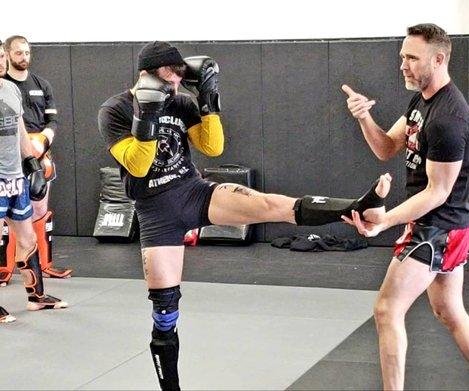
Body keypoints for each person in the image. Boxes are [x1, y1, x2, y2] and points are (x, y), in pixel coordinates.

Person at [97, 41, 391, 390]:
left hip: (193, 191)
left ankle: (356, 205)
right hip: (155, 210)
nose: (176, 84)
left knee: (271, 204)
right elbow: (139, 165)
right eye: (168, 77)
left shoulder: (179, 101)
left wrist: (208, 99)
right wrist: (146, 114)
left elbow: (213, 147)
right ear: (145, 74)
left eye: (180, 77)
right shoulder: (115, 110)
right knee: (165, 311)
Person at [341, 24, 469, 390]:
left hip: (438, 226)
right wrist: (364, 117)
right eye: (402, 57)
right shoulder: (421, 102)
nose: (403, 66)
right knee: (450, 311)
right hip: (444, 225)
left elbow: (438, 192)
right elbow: (386, 147)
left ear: (439, 59)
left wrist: (386, 222)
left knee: (387, 310)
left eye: (412, 58)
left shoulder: (449, 118)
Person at [0, 40, 68, 323]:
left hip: (16, 176)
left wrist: (33, 166)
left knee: (27, 238)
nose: (2, 61)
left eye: (2, 56)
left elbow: (20, 129)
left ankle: (37, 297)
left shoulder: (11, 89)